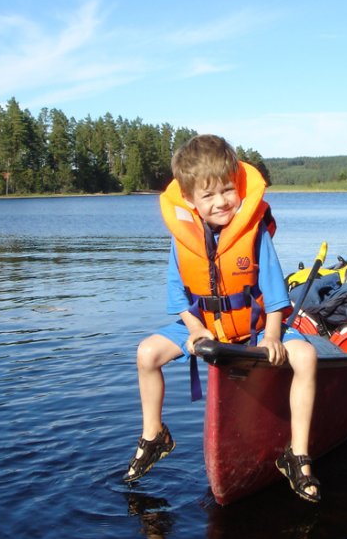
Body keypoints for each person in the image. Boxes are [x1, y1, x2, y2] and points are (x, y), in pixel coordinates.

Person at [125, 134, 320, 502]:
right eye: (208, 196)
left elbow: (276, 294)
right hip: (206, 328)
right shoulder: (183, 237)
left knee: (307, 357)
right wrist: (196, 328)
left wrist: (273, 337)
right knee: (146, 353)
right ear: (188, 200)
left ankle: (297, 455)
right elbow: (177, 294)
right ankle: (155, 436)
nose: (221, 203)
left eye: (228, 191)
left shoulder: (254, 231)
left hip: (258, 327)